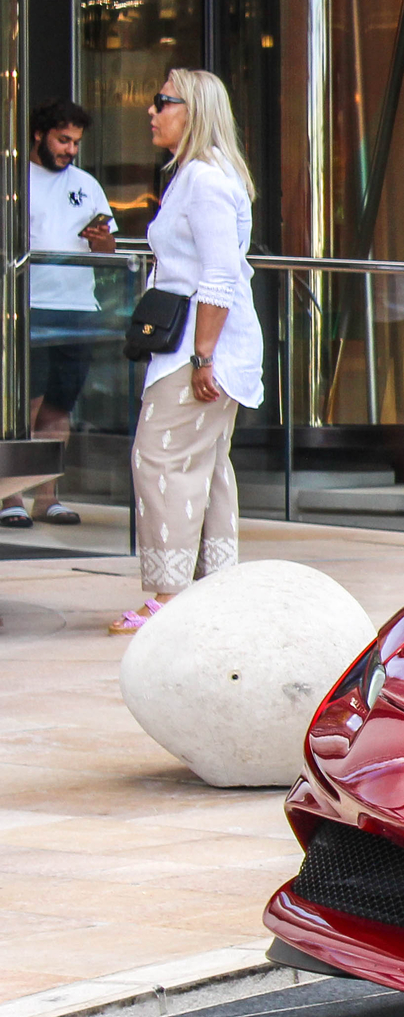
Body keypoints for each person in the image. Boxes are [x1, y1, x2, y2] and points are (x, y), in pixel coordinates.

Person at [114, 69, 262, 634]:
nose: (152, 112)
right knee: (205, 467)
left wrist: (203, 357)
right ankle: (212, 591)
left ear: (192, 110)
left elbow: (220, 276)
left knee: (161, 462)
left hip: (198, 352)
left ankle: (171, 598)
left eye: (162, 102)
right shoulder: (198, 176)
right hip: (202, 348)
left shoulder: (203, 179)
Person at [5, 100, 118, 528]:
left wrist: (100, 240)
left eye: (76, 142)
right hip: (28, 306)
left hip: (77, 309)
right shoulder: (16, 181)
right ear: (40, 135)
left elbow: (107, 250)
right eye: (63, 139)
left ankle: (47, 496)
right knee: (26, 406)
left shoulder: (86, 184)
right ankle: (10, 495)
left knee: (58, 408)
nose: (70, 149)